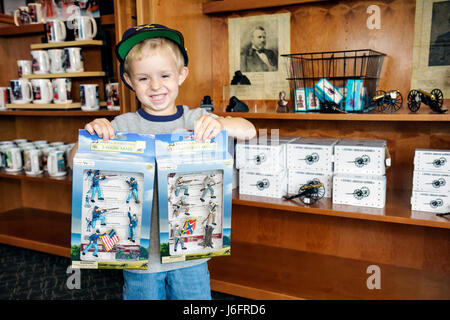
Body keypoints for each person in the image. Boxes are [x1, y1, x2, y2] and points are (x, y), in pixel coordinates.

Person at [69, 24, 256, 300]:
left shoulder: (195, 121)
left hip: (190, 253)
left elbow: (249, 130)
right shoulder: (121, 126)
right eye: (143, 78)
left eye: (164, 75)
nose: (155, 86)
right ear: (129, 81)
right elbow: (74, 159)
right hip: (140, 256)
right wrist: (92, 135)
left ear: (181, 75)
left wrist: (223, 123)